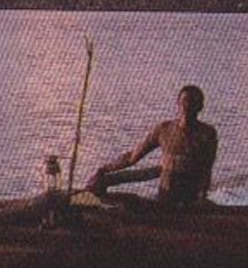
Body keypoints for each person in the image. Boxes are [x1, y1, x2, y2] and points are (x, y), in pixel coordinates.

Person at [87, 85, 218, 208]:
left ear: (200, 107)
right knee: (125, 200)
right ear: (178, 103)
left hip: (190, 200)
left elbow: (207, 168)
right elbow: (132, 157)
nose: (188, 106)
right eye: (185, 101)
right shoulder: (164, 130)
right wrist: (103, 170)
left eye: (193, 102)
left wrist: (202, 196)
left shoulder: (206, 134)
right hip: (165, 196)